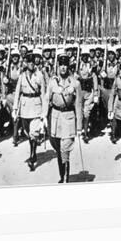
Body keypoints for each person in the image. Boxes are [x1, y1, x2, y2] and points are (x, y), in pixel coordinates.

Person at [44, 51, 83, 182]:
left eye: (65, 65)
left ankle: (66, 179)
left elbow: (78, 105)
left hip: (68, 118)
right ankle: (62, 176)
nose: (63, 68)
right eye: (61, 65)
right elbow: (46, 99)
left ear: (68, 67)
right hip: (55, 118)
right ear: (58, 66)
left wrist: (79, 127)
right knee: (59, 150)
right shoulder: (52, 82)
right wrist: (44, 116)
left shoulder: (75, 83)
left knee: (65, 149)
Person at [12, 52, 46, 171]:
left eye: (33, 62)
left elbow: (43, 94)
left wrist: (44, 112)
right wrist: (15, 108)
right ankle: (34, 150)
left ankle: (32, 155)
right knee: (27, 131)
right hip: (25, 106)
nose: (31, 64)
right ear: (26, 63)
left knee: (33, 132)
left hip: (36, 105)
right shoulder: (22, 76)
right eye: (29, 62)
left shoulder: (40, 75)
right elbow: (17, 93)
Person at [77, 46, 99, 143]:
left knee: (86, 114)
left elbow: (94, 80)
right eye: (83, 56)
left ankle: (85, 133)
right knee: (79, 113)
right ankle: (79, 130)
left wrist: (96, 94)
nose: (85, 58)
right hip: (79, 92)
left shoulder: (91, 66)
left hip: (89, 92)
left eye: (86, 56)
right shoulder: (77, 66)